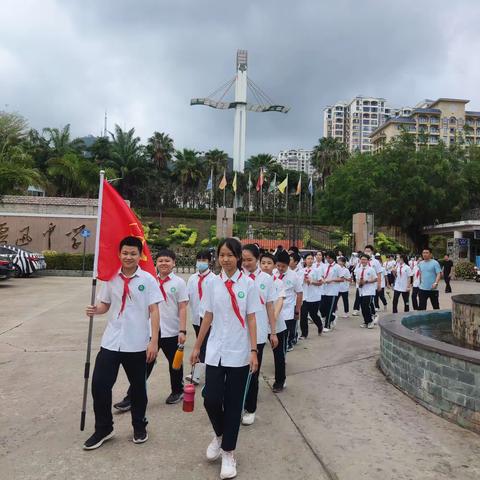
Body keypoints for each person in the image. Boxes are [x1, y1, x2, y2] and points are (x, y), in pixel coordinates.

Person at [190, 238, 261, 480]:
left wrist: (254, 350)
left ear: (238, 257)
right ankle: (220, 436)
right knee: (210, 399)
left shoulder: (249, 284)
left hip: (240, 352)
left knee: (233, 405)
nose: (226, 259)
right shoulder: (212, 284)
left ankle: (229, 453)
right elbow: (207, 316)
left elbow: (251, 318)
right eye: (222, 255)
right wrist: (197, 346)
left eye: (230, 255)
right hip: (216, 351)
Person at [83, 236, 162, 450]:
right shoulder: (111, 278)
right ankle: (104, 428)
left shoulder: (148, 280)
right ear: (119, 254)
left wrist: (154, 341)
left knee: (138, 389)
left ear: (140, 255)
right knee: (100, 385)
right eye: (125, 253)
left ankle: (139, 425)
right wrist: (95, 310)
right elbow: (106, 305)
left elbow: (154, 310)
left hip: (137, 343)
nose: (128, 257)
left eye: (133, 253)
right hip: (112, 340)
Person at [114, 249, 189, 411]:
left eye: (167, 260)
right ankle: (131, 396)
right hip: (151, 331)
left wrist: (183, 331)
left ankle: (177, 390)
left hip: (171, 331)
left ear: (174, 263)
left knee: (175, 364)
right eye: (161, 260)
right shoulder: (149, 280)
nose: (164, 263)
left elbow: (183, 308)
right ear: (156, 263)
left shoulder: (179, 283)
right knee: (143, 365)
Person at [241, 244, 278, 426]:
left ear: (257, 259)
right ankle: (237, 403)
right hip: (239, 331)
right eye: (244, 259)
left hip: (260, 330)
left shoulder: (267, 279)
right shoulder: (238, 277)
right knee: (238, 370)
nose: (246, 263)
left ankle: (250, 408)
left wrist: (273, 331)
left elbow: (270, 306)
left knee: (253, 371)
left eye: (250, 260)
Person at [186, 250, 215, 384]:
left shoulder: (214, 279)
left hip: (208, 319)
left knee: (203, 345)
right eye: (199, 259)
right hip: (196, 317)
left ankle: (196, 374)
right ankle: (199, 370)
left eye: (204, 260)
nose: (201, 262)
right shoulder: (192, 278)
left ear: (209, 262)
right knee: (200, 343)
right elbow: (187, 297)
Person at [260, 252, 287, 393]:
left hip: (276, 324)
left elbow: (280, 300)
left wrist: (273, 319)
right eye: (263, 262)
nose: (265, 266)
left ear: (274, 266)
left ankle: (280, 381)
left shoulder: (278, 282)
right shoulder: (254, 281)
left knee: (278, 355)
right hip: (259, 324)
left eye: (269, 263)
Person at [275, 250, 303, 352]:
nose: (280, 268)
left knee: (285, 333)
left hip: (288, 310)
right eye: (278, 266)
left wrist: (297, 310)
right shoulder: (273, 273)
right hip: (275, 309)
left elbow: (299, 293)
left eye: (283, 266)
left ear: (288, 265)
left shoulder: (294, 276)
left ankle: (286, 346)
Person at [300, 252, 323, 337]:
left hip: (314, 296)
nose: (310, 260)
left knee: (313, 315)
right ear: (305, 260)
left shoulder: (316, 270)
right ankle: (304, 334)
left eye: (311, 259)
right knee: (303, 316)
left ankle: (320, 325)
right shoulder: (301, 271)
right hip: (304, 296)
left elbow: (320, 283)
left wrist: (312, 282)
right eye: (308, 259)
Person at [320, 251, 343, 331]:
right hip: (324, 289)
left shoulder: (337, 267)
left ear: (333, 258)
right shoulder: (324, 266)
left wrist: (332, 280)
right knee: (322, 307)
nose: (328, 259)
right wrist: (323, 279)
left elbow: (342, 278)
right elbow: (322, 275)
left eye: (330, 258)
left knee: (330, 308)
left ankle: (327, 325)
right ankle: (332, 317)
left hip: (333, 291)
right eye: (327, 258)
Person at [356, 253, 377, 329]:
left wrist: (367, 281)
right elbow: (357, 279)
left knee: (366, 306)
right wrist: (359, 282)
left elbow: (375, 279)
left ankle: (370, 321)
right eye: (362, 259)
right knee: (362, 307)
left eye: (365, 259)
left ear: (368, 261)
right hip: (361, 291)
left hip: (369, 291)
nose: (363, 261)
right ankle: (366, 321)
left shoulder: (371, 269)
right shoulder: (358, 269)